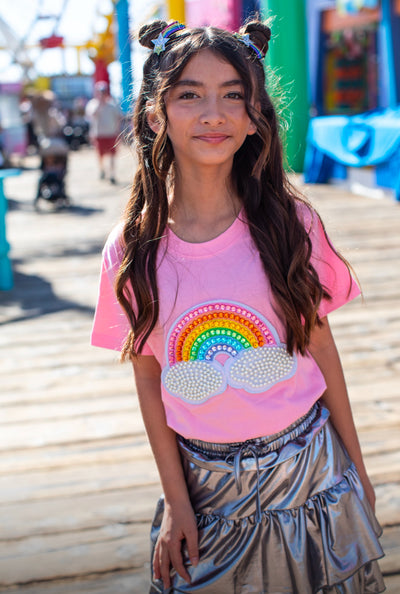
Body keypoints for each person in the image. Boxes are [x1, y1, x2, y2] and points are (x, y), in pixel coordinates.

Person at [91, 19, 385, 593]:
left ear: (254, 118)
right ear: (156, 115)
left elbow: (320, 344)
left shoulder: (290, 225)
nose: (213, 113)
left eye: (233, 95)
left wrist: (357, 467)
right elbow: (150, 375)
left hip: (312, 473)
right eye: (189, 95)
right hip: (204, 487)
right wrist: (177, 500)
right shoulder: (132, 251)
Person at [85, 81, 121, 184]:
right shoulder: (93, 104)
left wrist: (118, 132)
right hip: (99, 134)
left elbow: (118, 118)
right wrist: (100, 104)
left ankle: (112, 174)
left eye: (103, 91)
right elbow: (91, 116)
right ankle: (102, 170)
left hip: (111, 133)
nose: (102, 94)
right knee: (100, 155)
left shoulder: (113, 104)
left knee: (112, 155)